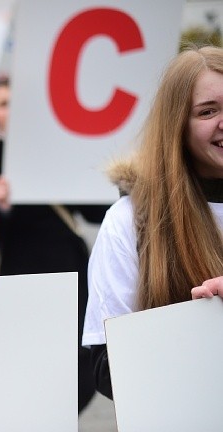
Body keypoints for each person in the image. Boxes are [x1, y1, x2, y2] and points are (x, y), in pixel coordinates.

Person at [82, 45, 223, 399]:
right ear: (177, 125)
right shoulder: (130, 221)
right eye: (208, 111)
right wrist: (197, 326)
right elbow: (106, 368)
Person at [0, 77, 108, 413]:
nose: (12, 112)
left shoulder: (57, 152)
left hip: (70, 268)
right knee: (30, 358)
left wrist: (91, 175)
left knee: (80, 356)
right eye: (4, 104)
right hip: (22, 274)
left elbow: (96, 212)